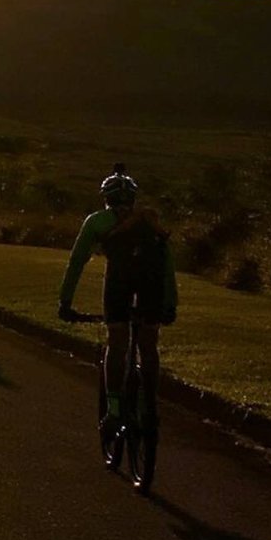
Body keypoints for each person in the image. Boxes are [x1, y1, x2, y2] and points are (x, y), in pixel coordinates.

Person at [58, 164, 177, 429]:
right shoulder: (149, 221)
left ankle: (113, 409)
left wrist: (65, 301)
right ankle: (149, 404)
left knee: (118, 341)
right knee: (148, 344)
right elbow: (167, 265)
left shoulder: (98, 221)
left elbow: (77, 262)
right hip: (152, 285)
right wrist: (171, 303)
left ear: (106, 198)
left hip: (118, 284)